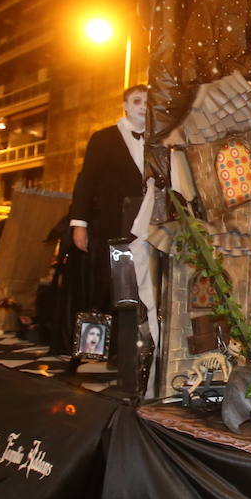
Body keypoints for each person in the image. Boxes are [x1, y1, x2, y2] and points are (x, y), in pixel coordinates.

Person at [68, 84, 153, 347]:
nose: (142, 106)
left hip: (146, 229)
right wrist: (79, 223)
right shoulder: (103, 138)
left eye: (146, 102)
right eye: (136, 101)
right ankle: (91, 350)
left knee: (136, 291)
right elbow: (86, 182)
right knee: (104, 289)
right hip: (111, 228)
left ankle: (125, 352)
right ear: (125, 105)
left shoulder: (158, 141)